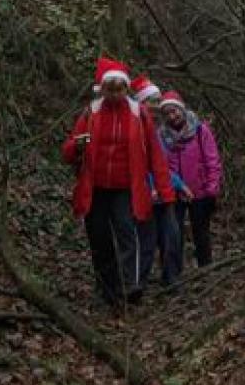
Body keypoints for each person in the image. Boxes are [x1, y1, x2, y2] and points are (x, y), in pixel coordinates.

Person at [61, 56, 175, 308]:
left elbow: (155, 155)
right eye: (109, 89)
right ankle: (108, 289)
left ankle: (130, 285)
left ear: (126, 89)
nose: (114, 94)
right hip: (96, 187)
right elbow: (69, 150)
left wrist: (165, 191)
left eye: (119, 89)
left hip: (125, 188)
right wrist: (78, 146)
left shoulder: (139, 114)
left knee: (127, 234)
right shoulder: (91, 113)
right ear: (102, 89)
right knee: (99, 238)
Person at [131, 74, 185, 289]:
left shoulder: (160, 132)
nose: (156, 106)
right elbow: (138, 165)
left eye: (157, 101)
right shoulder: (136, 129)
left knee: (171, 237)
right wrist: (149, 187)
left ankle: (171, 278)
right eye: (152, 101)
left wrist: (179, 184)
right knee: (147, 242)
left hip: (164, 193)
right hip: (147, 195)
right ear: (141, 103)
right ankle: (138, 284)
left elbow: (163, 165)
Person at [158, 91, 222, 270]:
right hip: (175, 192)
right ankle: (175, 272)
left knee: (201, 233)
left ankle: (205, 269)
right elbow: (162, 165)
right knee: (174, 234)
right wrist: (175, 185)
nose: (173, 116)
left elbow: (212, 160)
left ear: (182, 109)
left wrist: (212, 189)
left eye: (175, 111)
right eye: (168, 113)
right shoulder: (161, 136)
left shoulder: (200, 130)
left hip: (200, 190)